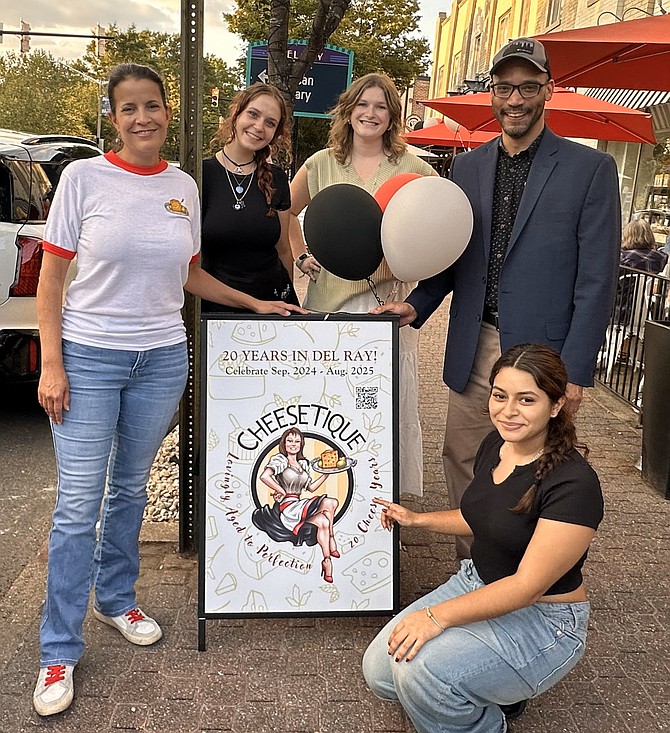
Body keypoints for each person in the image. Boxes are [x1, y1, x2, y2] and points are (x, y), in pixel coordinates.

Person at [33, 63, 305, 718]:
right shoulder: (83, 179)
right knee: (77, 504)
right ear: (114, 117)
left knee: (128, 487)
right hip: (90, 355)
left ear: (165, 110)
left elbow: (189, 275)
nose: (143, 118)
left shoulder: (182, 185)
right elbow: (50, 280)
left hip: (161, 357)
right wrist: (51, 361)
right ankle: (57, 649)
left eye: (152, 105)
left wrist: (251, 303)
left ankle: (117, 597)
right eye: (128, 108)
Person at [372, 37, 620, 559]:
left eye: (528, 87)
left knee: (536, 469)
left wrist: (575, 371)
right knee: (463, 456)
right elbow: (455, 258)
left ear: (548, 91)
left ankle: (526, 576)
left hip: (544, 354)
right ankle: (474, 565)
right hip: (478, 341)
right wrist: (416, 304)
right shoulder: (466, 169)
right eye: (505, 87)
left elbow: (597, 279)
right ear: (492, 93)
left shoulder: (589, 170)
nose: (516, 99)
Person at [362, 343, 603, 733]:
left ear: (555, 405)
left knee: (423, 674)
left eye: (527, 399)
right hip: (479, 581)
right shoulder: (497, 444)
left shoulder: (574, 484)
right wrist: (419, 520)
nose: (508, 411)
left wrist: (434, 617)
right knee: (380, 672)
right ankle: (488, 688)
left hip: (543, 619)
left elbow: (525, 587)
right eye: (500, 395)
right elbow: (487, 519)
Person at [289, 72, 437, 496]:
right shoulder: (321, 163)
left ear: (392, 116)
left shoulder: (415, 167)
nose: (371, 113)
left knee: (381, 405)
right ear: (349, 110)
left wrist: (412, 269)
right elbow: (283, 212)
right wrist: (301, 252)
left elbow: (435, 230)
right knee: (330, 406)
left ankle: (379, 504)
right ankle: (330, 494)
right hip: (329, 305)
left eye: (381, 106)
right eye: (363, 104)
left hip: (387, 310)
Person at [201, 83, 299, 313]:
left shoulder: (276, 179)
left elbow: (284, 249)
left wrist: (287, 306)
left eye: (270, 123)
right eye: (253, 114)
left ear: (275, 133)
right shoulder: (201, 175)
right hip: (217, 311)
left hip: (273, 308)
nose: (259, 127)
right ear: (236, 114)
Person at [252, 428, 339, 582]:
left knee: (331, 504)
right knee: (324, 516)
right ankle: (329, 552)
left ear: (301, 444)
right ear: (284, 443)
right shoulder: (280, 460)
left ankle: (327, 557)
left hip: (299, 503)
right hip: (288, 508)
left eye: (297, 441)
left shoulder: (303, 464)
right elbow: (264, 476)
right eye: (290, 441)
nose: (293, 444)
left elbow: (311, 488)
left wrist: (327, 473)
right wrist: (280, 490)